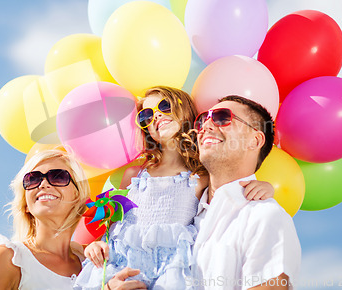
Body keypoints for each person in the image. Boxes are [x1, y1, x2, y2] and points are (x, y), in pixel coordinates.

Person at [75, 87, 274, 289]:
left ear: (185, 110)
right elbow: (115, 224)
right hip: (122, 265)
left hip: (169, 271)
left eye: (164, 106)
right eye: (146, 115)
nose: (157, 116)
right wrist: (96, 245)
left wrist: (264, 186)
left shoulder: (203, 175)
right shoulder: (134, 175)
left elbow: (231, 192)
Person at [0, 149, 147, 290]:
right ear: (26, 204)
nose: (43, 184)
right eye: (33, 179)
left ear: (79, 196)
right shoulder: (10, 258)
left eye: (58, 176)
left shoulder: (93, 259)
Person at [191, 96, 301, 289]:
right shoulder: (181, 210)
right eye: (202, 119)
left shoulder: (265, 217)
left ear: (255, 140)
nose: (206, 125)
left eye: (222, 117)